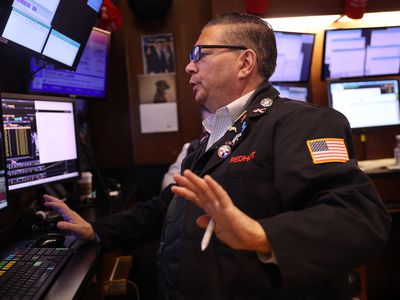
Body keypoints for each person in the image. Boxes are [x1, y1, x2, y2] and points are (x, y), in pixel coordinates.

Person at [44, 12, 391, 300]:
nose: (188, 68)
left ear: (245, 61)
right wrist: (96, 229)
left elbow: (359, 220)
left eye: (200, 55)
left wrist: (260, 234)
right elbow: (167, 207)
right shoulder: (211, 138)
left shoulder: (303, 123)